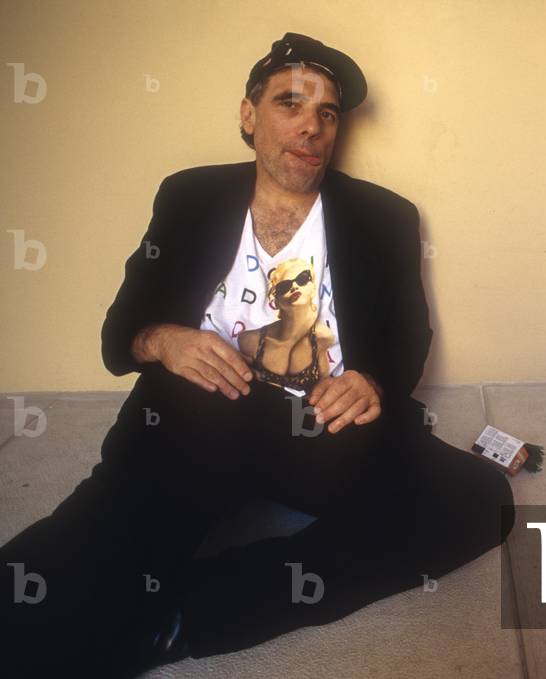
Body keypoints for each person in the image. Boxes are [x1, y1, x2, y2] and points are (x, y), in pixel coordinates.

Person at [0, 32, 515, 678]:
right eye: (290, 103)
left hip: (318, 425)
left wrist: (372, 380)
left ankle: (187, 614)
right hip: (202, 408)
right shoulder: (189, 198)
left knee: (479, 500)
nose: (312, 126)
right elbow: (119, 334)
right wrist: (165, 339)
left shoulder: (382, 216)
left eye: (327, 113)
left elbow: (409, 334)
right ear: (248, 115)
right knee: (96, 541)